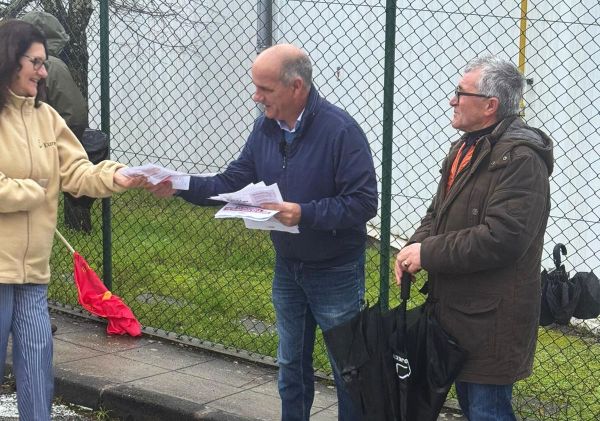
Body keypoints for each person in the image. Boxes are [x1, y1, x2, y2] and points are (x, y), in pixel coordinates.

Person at [148, 44, 378, 421]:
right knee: (290, 366)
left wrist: (303, 213)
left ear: (297, 87)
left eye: (265, 89)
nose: (256, 97)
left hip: (335, 269)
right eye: (256, 87)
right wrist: (178, 183)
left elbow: (363, 202)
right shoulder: (266, 128)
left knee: (349, 371)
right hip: (288, 267)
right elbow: (231, 180)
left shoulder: (341, 131)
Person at [0, 19, 145, 420]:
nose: (43, 72)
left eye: (44, 63)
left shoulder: (47, 117)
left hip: (33, 273)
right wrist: (35, 190)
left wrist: (117, 176)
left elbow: (77, 172)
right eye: (36, 62)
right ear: (10, 59)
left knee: (37, 367)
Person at [395, 55, 553, 421]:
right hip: (456, 313)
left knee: (487, 412)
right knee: (473, 409)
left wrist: (427, 253)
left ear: (489, 105)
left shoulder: (521, 160)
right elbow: (438, 212)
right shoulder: (466, 147)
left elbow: (502, 237)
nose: (452, 100)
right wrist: (412, 248)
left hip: (492, 321)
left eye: (460, 92)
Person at [21, 11, 99, 234]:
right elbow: (75, 115)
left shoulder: (12, 66)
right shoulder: (53, 66)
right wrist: (55, 147)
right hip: (40, 156)